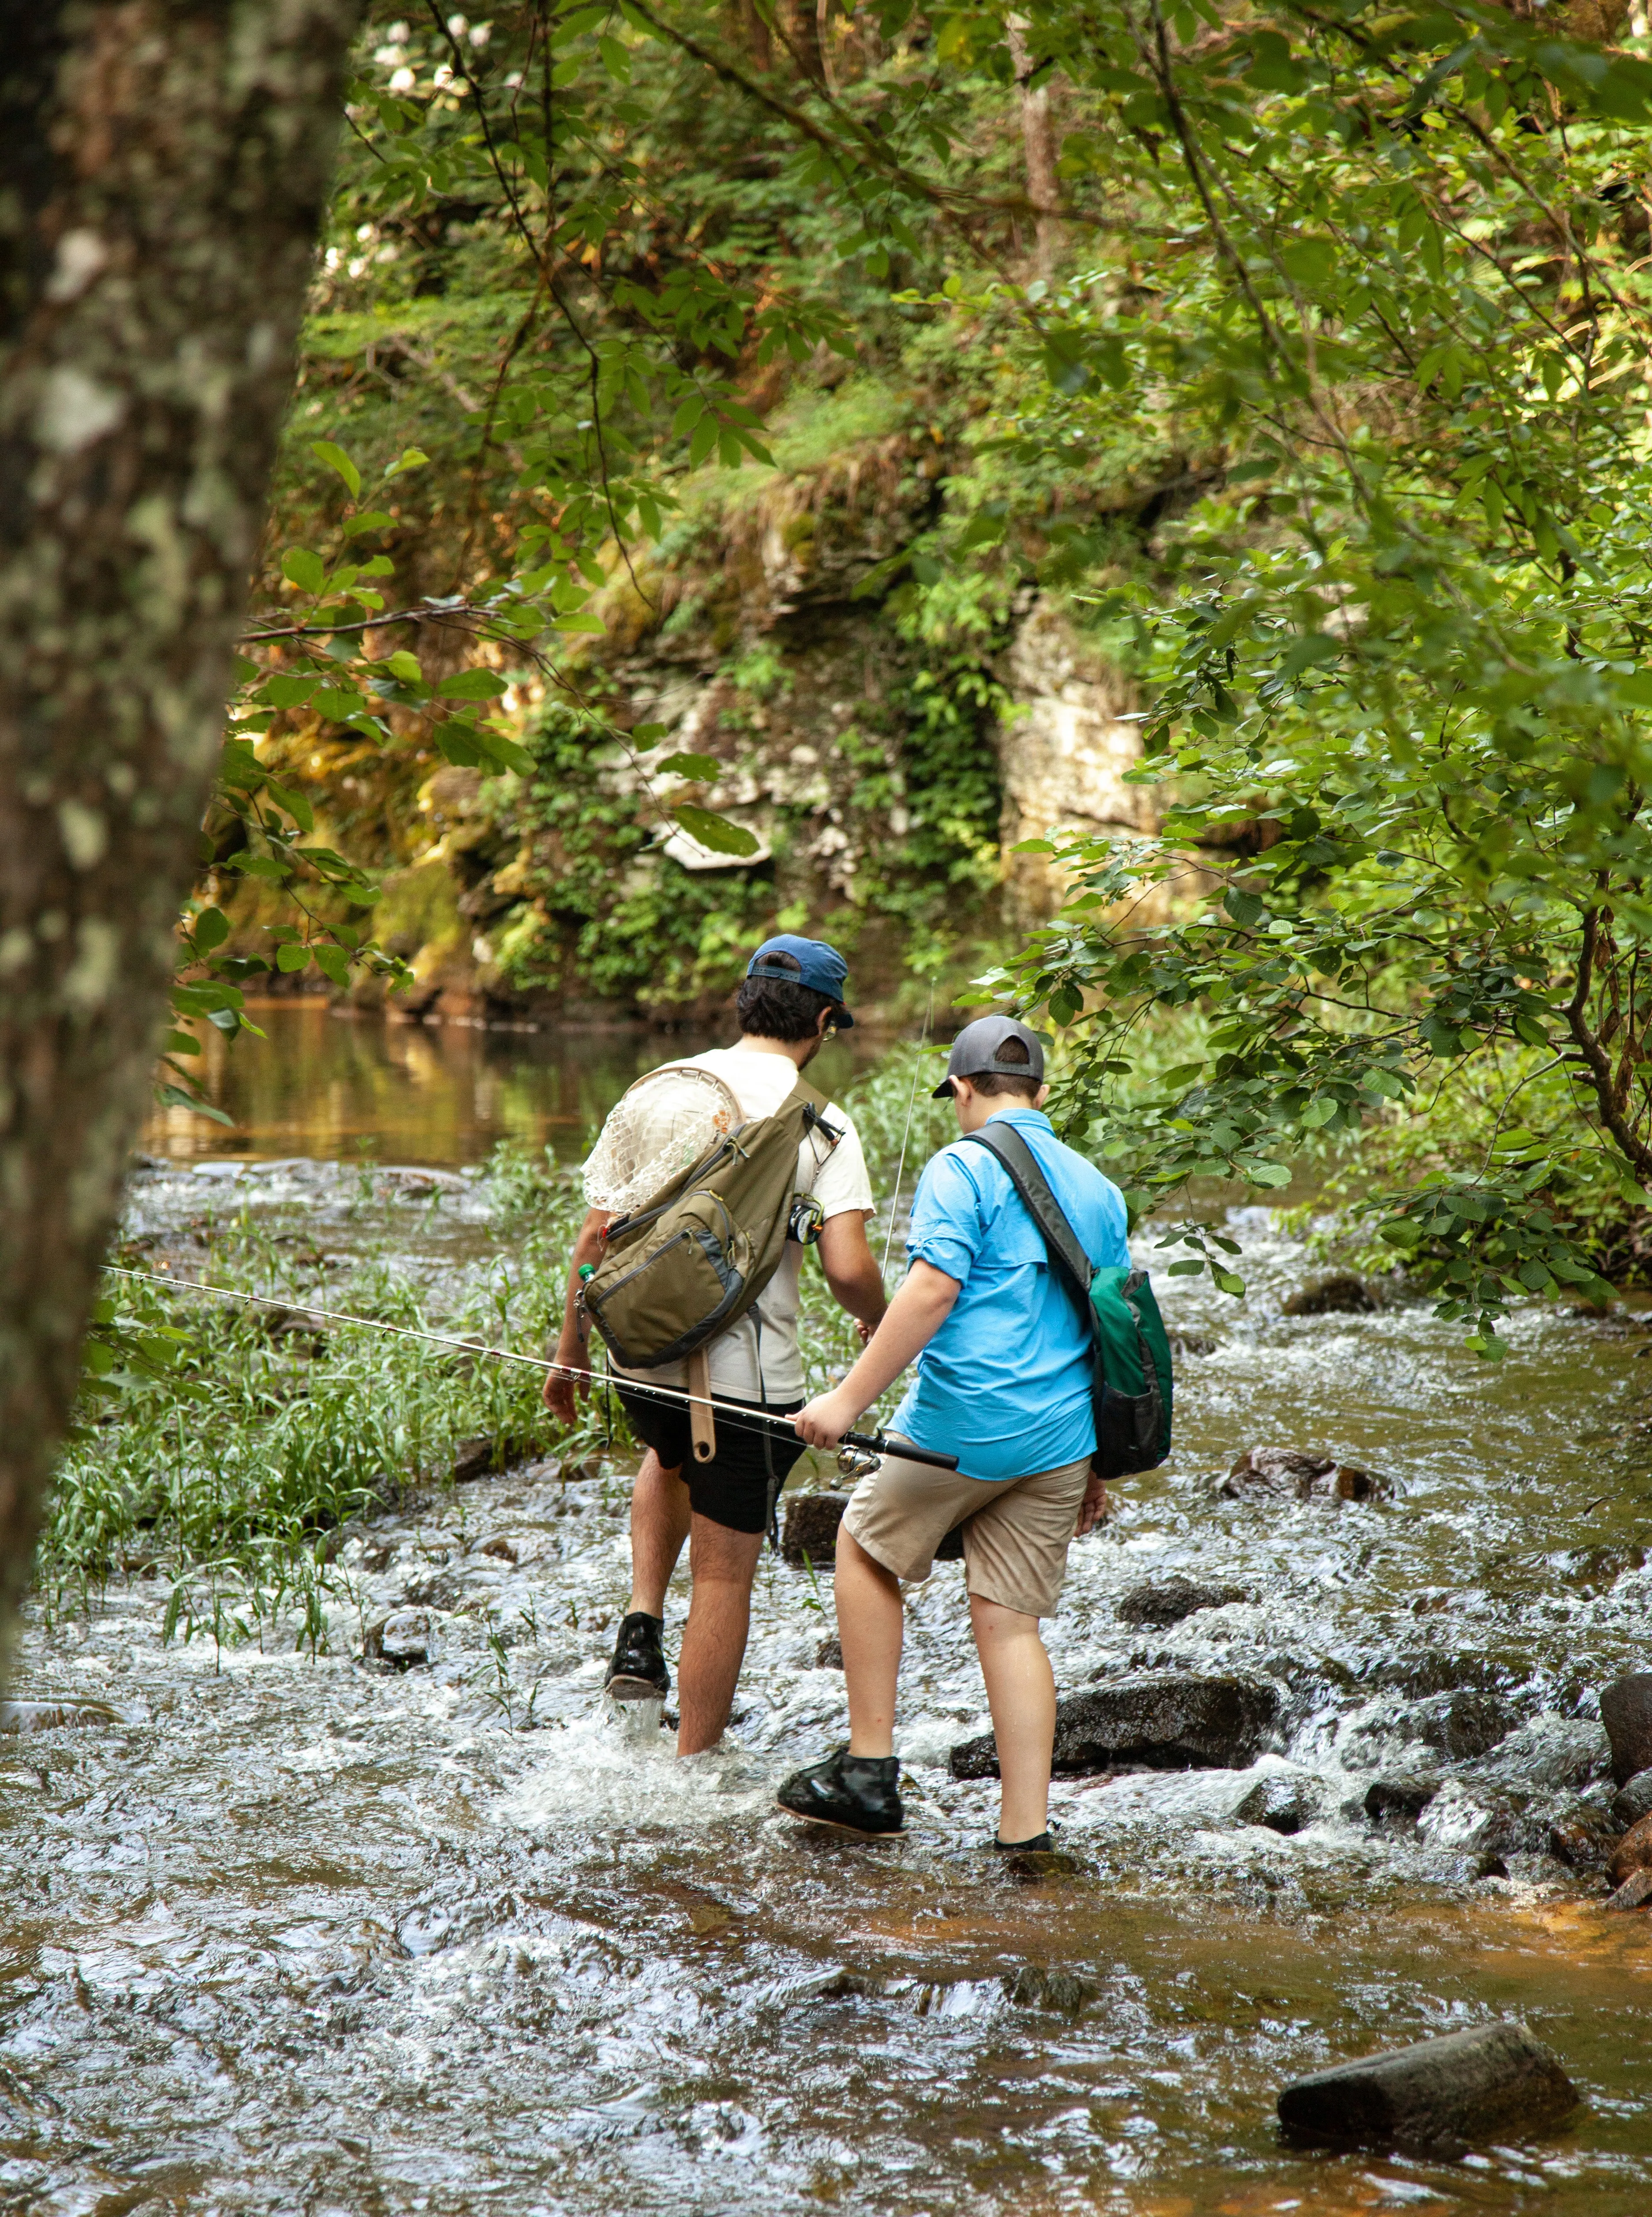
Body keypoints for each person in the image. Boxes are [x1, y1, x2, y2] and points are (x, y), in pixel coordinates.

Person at [775, 1014, 1129, 1850]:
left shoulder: (961, 1166)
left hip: (968, 1424)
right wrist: (1097, 1464)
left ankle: (868, 1773)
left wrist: (845, 1403)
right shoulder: (1099, 1188)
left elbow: (934, 1290)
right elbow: (1109, 1326)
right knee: (1010, 1622)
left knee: (863, 1544)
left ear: (963, 1091)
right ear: (1041, 1092)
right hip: (1063, 1437)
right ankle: (1025, 1834)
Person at [544, 935, 887, 1755]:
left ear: (743, 1004)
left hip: (638, 1355)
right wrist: (880, 1314)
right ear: (827, 1020)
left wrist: (570, 1348)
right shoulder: (824, 1127)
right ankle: (691, 1769)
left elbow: (597, 1231)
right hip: (749, 1386)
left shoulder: (657, 1089)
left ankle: (641, 1621)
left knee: (668, 1457)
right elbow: (845, 1268)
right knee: (726, 1574)